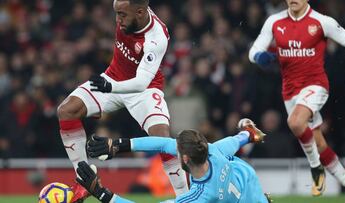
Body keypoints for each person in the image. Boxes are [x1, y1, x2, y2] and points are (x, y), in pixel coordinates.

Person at [56, 0, 188, 202]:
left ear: (141, 12)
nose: (118, 20)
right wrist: (111, 84)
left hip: (143, 90)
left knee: (163, 139)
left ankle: (186, 197)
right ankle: (83, 182)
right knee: (66, 110)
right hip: (114, 77)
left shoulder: (156, 37)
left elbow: (141, 82)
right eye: (116, 14)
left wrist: (110, 87)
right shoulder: (130, 12)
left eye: (122, 15)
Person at [248, 0, 345, 201]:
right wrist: (260, 56)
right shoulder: (274, 22)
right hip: (290, 92)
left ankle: (316, 168)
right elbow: (253, 51)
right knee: (318, 142)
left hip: (316, 85)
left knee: (295, 122)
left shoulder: (321, 21)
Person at [76, 118, 270, 203]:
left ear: (184, 159)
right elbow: (238, 139)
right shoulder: (212, 151)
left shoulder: (199, 196)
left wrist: (101, 193)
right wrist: (118, 144)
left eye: (176, 152)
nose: (173, 151)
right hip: (252, 189)